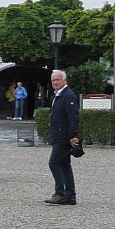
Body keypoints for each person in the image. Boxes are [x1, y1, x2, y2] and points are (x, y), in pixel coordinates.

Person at [45, 69, 80, 205]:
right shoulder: (57, 96)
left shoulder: (68, 95)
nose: (55, 82)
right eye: (53, 80)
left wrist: (72, 136)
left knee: (54, 163)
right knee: (65, 164)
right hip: (58, 134)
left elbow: (72, 117)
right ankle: (70, 195)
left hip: (64, 136)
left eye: (57, 79)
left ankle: (60, 193)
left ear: (64, 80)